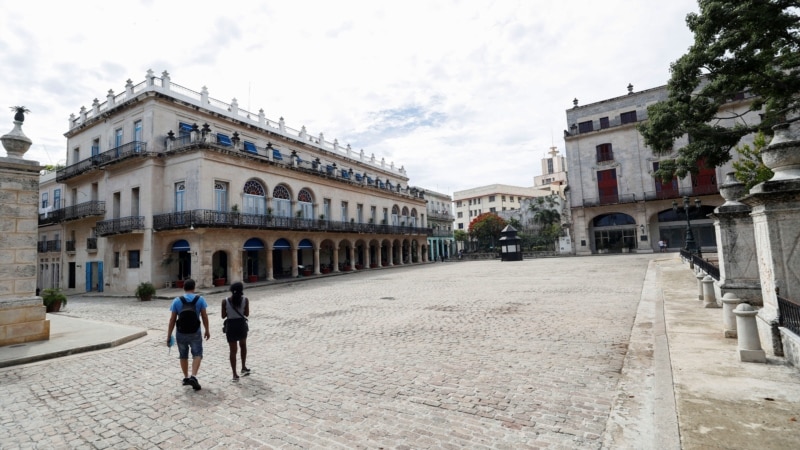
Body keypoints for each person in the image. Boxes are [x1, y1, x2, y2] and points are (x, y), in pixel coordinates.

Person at [167, 279, 210, 391]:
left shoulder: (177, 301)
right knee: (197, 354)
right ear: (194, 287)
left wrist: (169, 335)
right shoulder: (200, 299)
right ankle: (193, 376)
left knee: (183, 355)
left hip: (181, 332)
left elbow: (172, 319)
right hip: (195, 331)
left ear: (184, 288)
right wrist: (207, 330)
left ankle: (186, 377)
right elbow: (204, 316)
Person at [221, 282, 251, 382]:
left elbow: (223, 316)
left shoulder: (225, 301)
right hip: (241, 325)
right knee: (243, 346)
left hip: (231, 326)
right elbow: (247, 313)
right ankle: (243, 366)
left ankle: (234, 373)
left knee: (233, 350)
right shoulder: (245, 300)